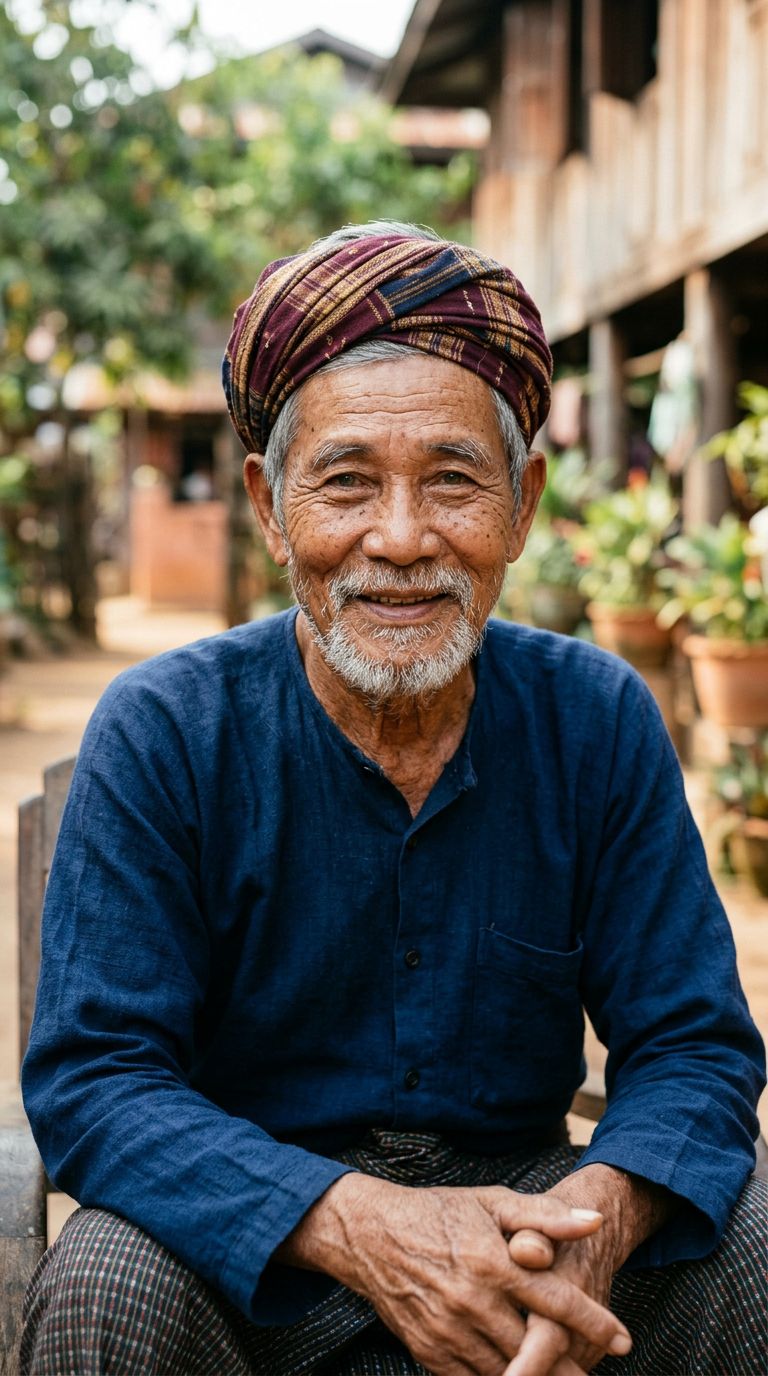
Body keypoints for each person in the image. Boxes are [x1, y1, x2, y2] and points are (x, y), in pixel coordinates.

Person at [21, 222, 766, 1376]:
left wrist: (595, 1226)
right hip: (260, 1249)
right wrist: (360, 1224)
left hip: (532, 1232)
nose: (404, 537)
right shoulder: (165, 729)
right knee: (105, 1280)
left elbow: (695, 1044)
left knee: (751, 1237)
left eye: (454, 479)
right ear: (271, 506)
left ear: (522, 502)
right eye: (347, 481)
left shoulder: (597, 718)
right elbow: (97, 1079)